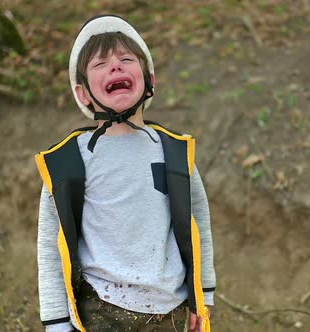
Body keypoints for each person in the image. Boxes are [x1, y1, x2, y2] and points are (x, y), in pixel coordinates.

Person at [35, 15, 216, 332]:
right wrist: (56, 322)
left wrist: (203, 298)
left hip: (169, 311)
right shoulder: (69, 161)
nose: (115, 67)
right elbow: (51, 247)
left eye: (126, 59)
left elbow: (198, 221)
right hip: (101, 313)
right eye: (100, 64)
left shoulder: (174, 152)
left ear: (150, 79)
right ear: (83, 94)